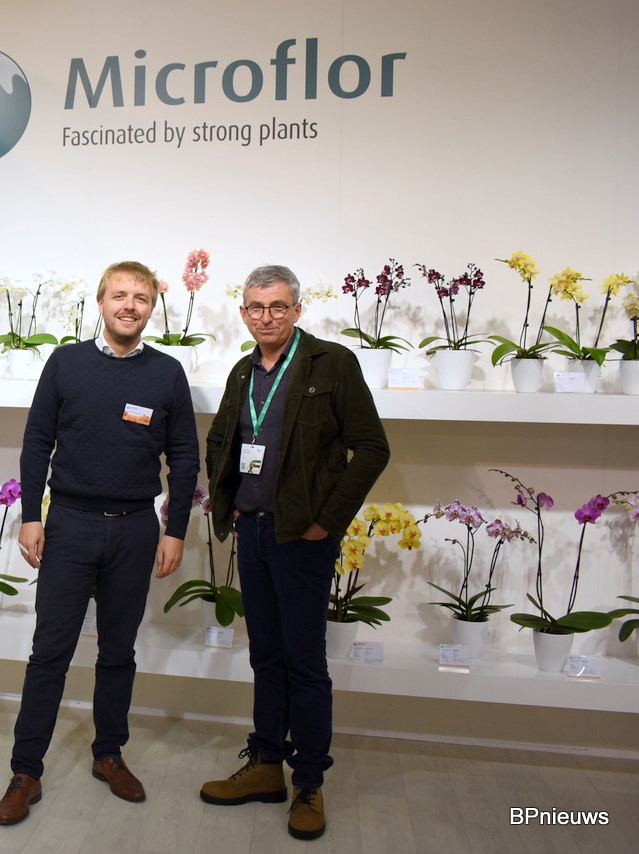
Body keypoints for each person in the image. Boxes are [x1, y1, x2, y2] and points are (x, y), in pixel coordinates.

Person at [0, 260, 200, 826]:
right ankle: (26, 771)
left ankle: (108, 754)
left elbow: (185, 457)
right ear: (101, 302)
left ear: (152, 306)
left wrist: (176, 528)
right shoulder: (66, 362)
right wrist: (30, 516)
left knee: (118, 652)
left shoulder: (167, 373)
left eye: (140, 297)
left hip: (135, 529)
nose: (129, 305)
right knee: (49, 652)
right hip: (70, 525)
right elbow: (37, 441)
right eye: (119, 295)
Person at [199, 265, 389, 840]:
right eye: (256, 308)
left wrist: (325, 522)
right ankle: (265, 766)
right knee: (265, 657)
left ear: (298, 310)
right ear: (244, 314)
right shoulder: (242, 371)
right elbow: (222, 440)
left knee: (305, 663)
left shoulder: (332, 364)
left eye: (278, 306)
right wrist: (230, 504)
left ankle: (308, 781)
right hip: (254, 534)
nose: (267, 317)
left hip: (301, 540)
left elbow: (372, 448)